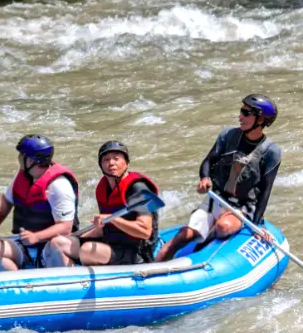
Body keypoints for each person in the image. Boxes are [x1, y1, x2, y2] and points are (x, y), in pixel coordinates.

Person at [155, 94, 282, 262]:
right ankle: (151, 269)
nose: (240, 116)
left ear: (261, 119)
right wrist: (204, 178)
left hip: (243, 208)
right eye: (241, 111)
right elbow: (208, 161)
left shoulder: (271, 152)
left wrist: (257, 224)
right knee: (182, 236)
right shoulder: (228, 135)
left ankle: (206, 238)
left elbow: (265, 192)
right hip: (216, 199)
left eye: (246, 113)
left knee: (223, 226)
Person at [46, 141, 159, 267]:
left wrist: (113, 218)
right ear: (101, 165)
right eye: (106, 159)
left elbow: (145, 231)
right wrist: (77, 236)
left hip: (138, 252)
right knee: (59, 242)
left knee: (88, 250)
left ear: (126, 163)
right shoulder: (102, 188)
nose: (111, 163)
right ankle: (71, 276)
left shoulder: (139, 188)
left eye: (116, 158)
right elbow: (105, 229)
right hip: (112, 245)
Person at [0, 134, 79, 271]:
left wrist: (36, 237)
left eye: (21, 155)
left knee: (57, 244)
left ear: (30, 160)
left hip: (51, 246)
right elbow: (6, 201)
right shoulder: (24, 176)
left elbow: (65, 227)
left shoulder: (59, 185)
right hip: (26, 244)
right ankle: (18, 282)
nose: (18, 158)